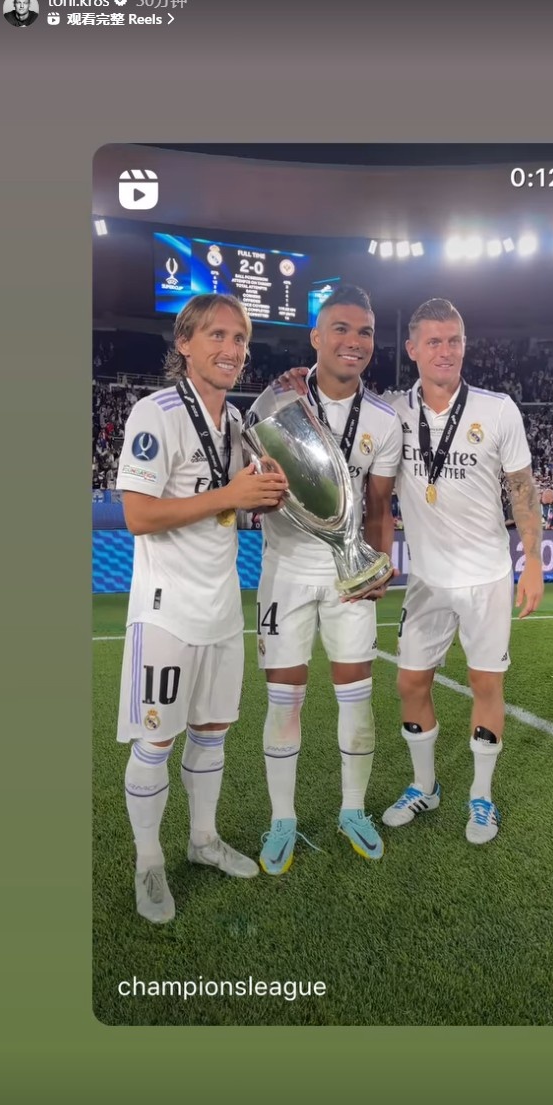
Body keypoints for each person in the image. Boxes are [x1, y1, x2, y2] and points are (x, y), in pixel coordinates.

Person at [115, 294, 288, 923]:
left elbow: (232, 502)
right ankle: (148, 861)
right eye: (216, 335)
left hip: (220, 609)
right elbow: (138, 515)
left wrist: (262, 496)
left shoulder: (237, 423)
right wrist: (231, 493)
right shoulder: (155, 413)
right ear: (184, 344)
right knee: (156, 740)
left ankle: (203, 839)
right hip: (166, 611)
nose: (231, 349)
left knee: (212, 734)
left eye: (239, 338)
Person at [379, 298, 544, 844]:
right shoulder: (392, 413)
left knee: (484, 682)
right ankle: (424, 786)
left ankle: (481, 796)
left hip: (486, 576)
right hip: (426, 579)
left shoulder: (498, 410)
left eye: (454, 340)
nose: (445, 351)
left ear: (465, 345)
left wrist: (533, 563)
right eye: (434, 341)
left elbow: (522, 490)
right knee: (409, 682)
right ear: (412, 349)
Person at [255, 284, 402, 874]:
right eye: (340, 328)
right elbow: (254, 484)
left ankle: (353, 810)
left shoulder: (384, 420)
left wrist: (377, 565)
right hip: (286, 571)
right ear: (315, 336)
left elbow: (379, 508)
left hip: (348, 577)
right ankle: (282, 819)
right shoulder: (276, 400)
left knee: (356, 701)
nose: (354, 341)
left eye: (365, 331)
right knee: (283, 703)